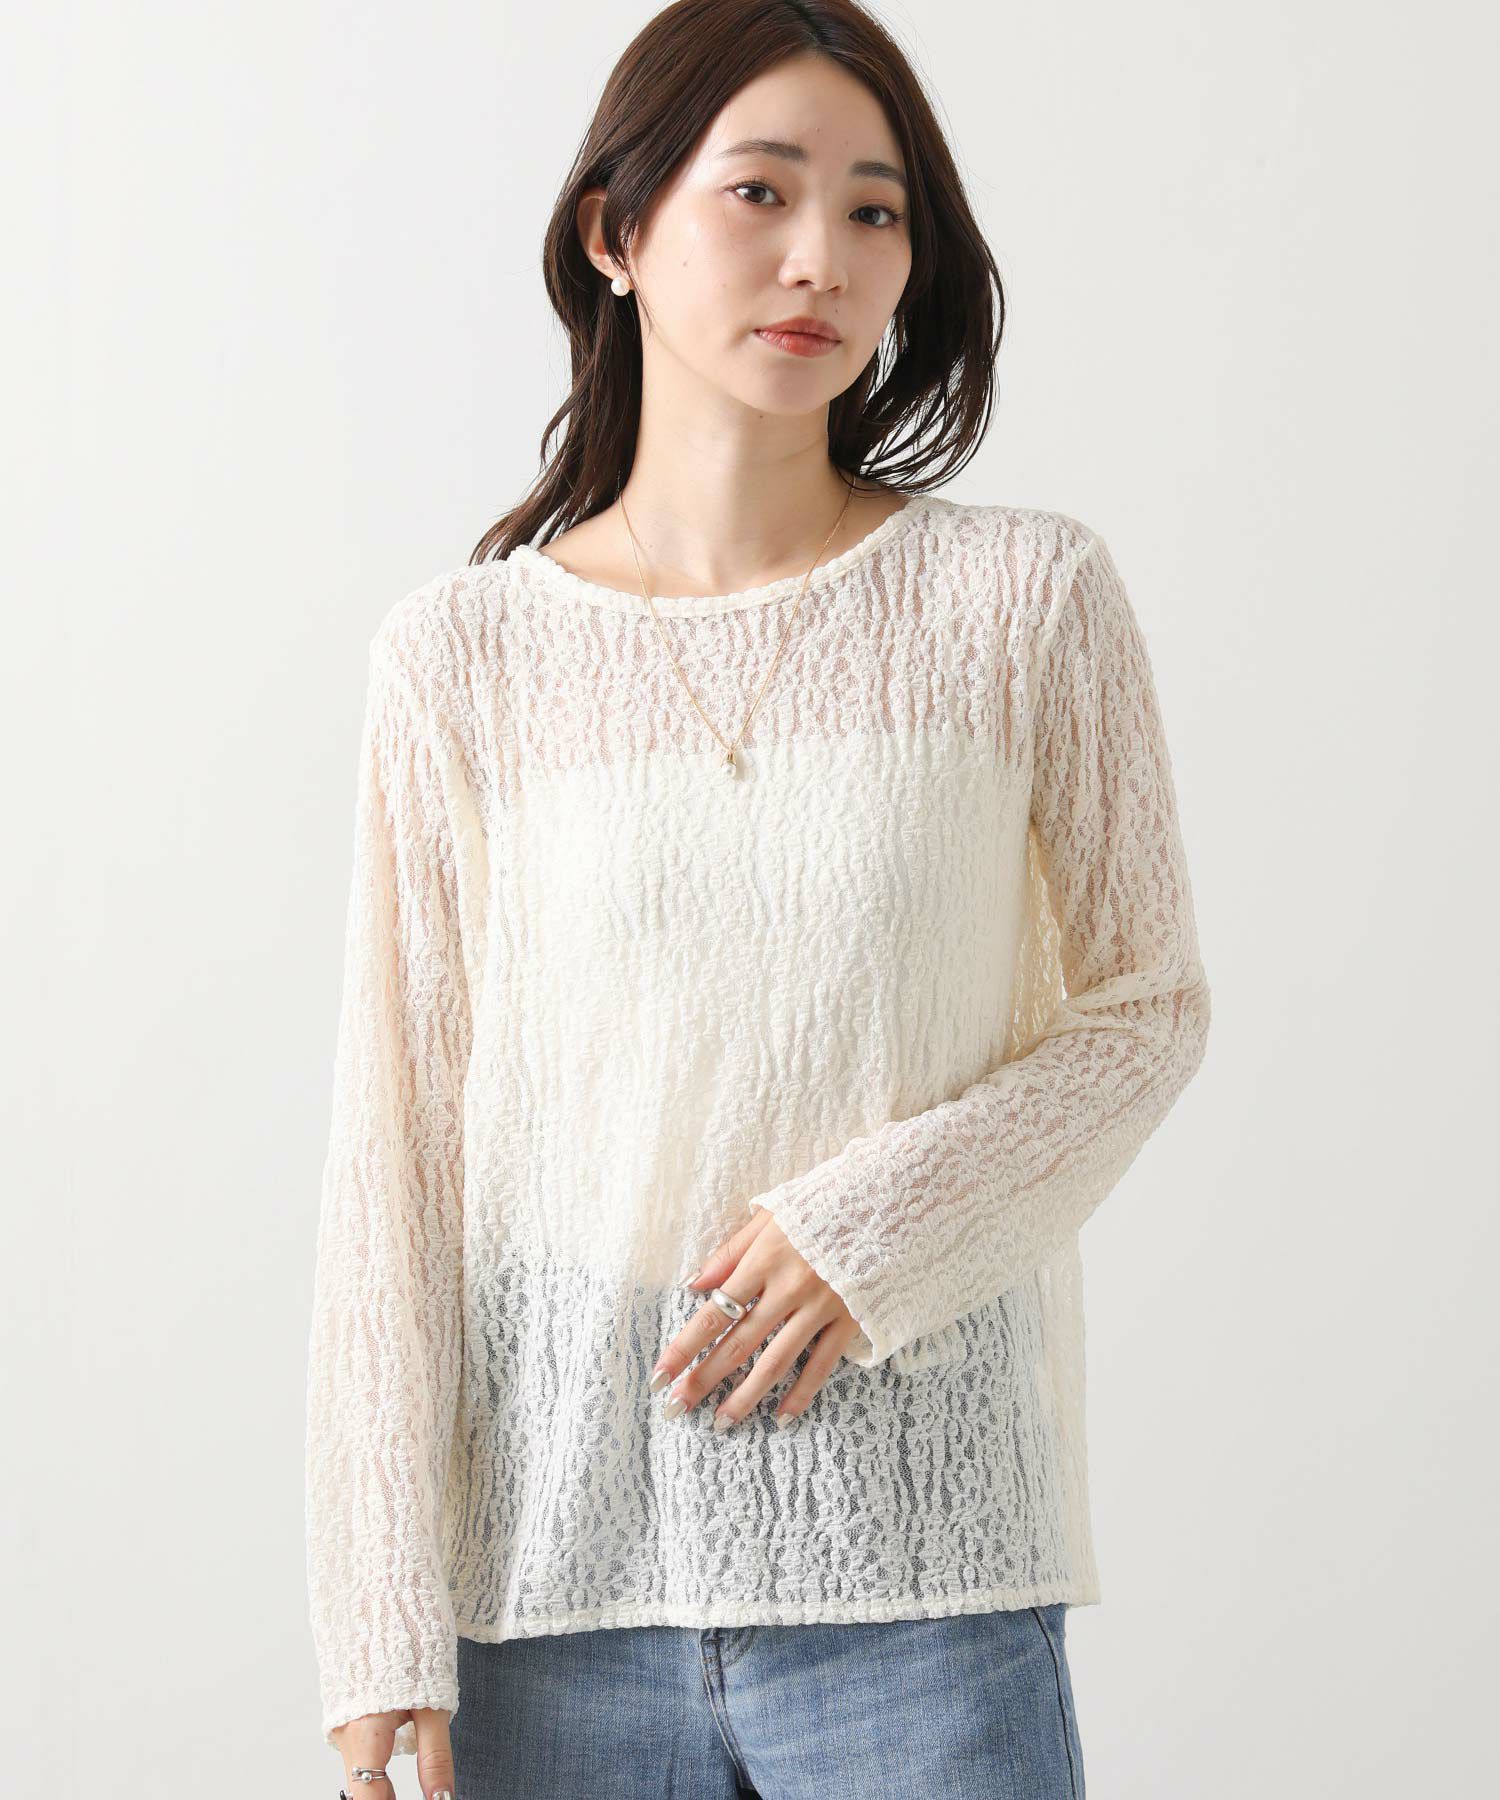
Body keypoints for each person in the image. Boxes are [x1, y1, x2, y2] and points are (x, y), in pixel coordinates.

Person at [303, 2, 1212, 1795]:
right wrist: (377, 1609)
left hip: (924, 1596)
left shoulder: (1023, 600)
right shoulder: (463, 659)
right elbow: (396, 1152)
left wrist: (872, 1230)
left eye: (877, 211)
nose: (822, 259)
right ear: (615, 231)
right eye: (762, 191)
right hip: (551, 1599)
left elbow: (1146, 1012)